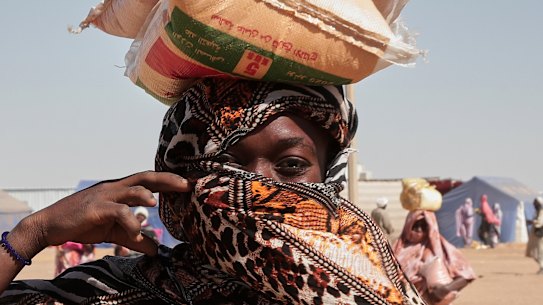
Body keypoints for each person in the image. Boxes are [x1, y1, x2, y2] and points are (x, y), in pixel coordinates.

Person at [0, 79, 424, 305]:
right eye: (226, 167)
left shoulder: (375, 283)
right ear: (180, 180)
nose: (255, 187)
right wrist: (32, 233)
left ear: (329, 174)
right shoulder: (111, 291)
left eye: (291, 166)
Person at [393, 210, 476, 305]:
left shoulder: (442, 248)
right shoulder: (398, 248)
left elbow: (467, 276)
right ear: (408, 225)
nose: (419, 230)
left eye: (424, 226)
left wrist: (445, 289)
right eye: (416, 226)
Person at [526, 196, 543, 274]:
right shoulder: (536, 212)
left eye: (535, 203)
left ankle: (542, 267)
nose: (534, 205)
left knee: (539, 251)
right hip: (535, 234)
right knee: (534, 251)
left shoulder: (541, 212)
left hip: (540, 234)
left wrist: (532, 222)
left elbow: (540, 222)